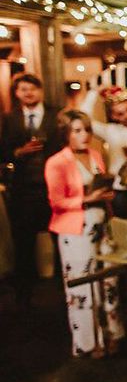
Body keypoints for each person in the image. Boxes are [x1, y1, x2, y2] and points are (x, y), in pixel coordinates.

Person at [45, 110, 124, 357]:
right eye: (77, 130)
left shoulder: (96, 156)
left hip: (102, 225)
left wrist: (105, 196)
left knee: (109, 281)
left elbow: (101, 187)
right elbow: (56, 201)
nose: (85, 135)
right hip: (75, 229)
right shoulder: (56, 162)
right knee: (82, 286)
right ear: (65, 133)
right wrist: (87, 198)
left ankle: (113, 333)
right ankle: (89, 343)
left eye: (87, 130)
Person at [0, 73, 62, 304]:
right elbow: (3, 151)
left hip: (53, 187)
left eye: (32, 88)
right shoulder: (10, 119)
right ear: (16, 94)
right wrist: (18, 153)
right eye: (23, 89)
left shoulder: (55, 115)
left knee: (60, 238)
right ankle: (24, 296)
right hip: (24, 190)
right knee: (23, 242)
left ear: (41, 91)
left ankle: (63, 287)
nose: (28, 93)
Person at [79, 87, 127, 218]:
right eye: (120, 114)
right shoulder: (111, 131)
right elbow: (83, 119)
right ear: (113, 116)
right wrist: (94, 93)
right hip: (119, 190)